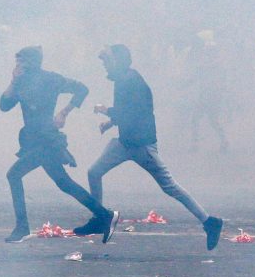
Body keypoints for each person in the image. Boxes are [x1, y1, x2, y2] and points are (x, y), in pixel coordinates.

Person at [77, 44, 223, 250]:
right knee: (94, 172)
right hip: (125, 142)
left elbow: (130, 113)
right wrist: (111, 122)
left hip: (141, 146)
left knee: (170, 186)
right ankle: (100, 217)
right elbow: (129, 112)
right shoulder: (123, 80)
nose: (105, 66)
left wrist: (106, 111)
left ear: (118, 61)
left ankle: (209, 222)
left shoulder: (130, 82)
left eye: (107, 61)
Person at [0, 45, 119, 243]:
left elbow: (82, 89)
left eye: (21, 61)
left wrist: (64, 112)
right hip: (35, 140)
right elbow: (4, 105)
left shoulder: (49, 79)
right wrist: (13, 80)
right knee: (64, 183)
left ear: (31, 62)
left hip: (45, 140)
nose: (18, 65)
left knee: (14, 175)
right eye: (17, 61)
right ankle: (105, 215)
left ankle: (22, 227)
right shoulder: (22, 82)